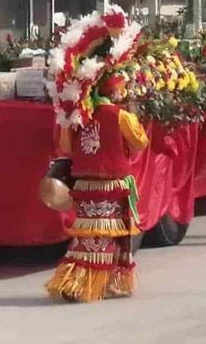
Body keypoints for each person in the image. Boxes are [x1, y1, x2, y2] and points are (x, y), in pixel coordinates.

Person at [45, 74, 149, 302]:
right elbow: (140, 142)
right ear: (113, 92)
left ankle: (80, 279)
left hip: (85, 184)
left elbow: (65, 147)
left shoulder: (78, 116)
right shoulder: (121, 116)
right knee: (109, 236)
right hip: (112, 184)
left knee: (86, 235)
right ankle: (89, 283)